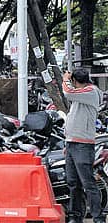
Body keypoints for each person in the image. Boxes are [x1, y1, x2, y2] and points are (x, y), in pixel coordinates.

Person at [62, 67, 104, 223]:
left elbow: (68, 92)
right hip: (72, 143)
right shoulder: (82, 95)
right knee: (73, 183)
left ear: (74, 80)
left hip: (83, 145)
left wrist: (65, 78)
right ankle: (75, 216)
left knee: (88, 184)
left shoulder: (90, 92)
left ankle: (97, 218)